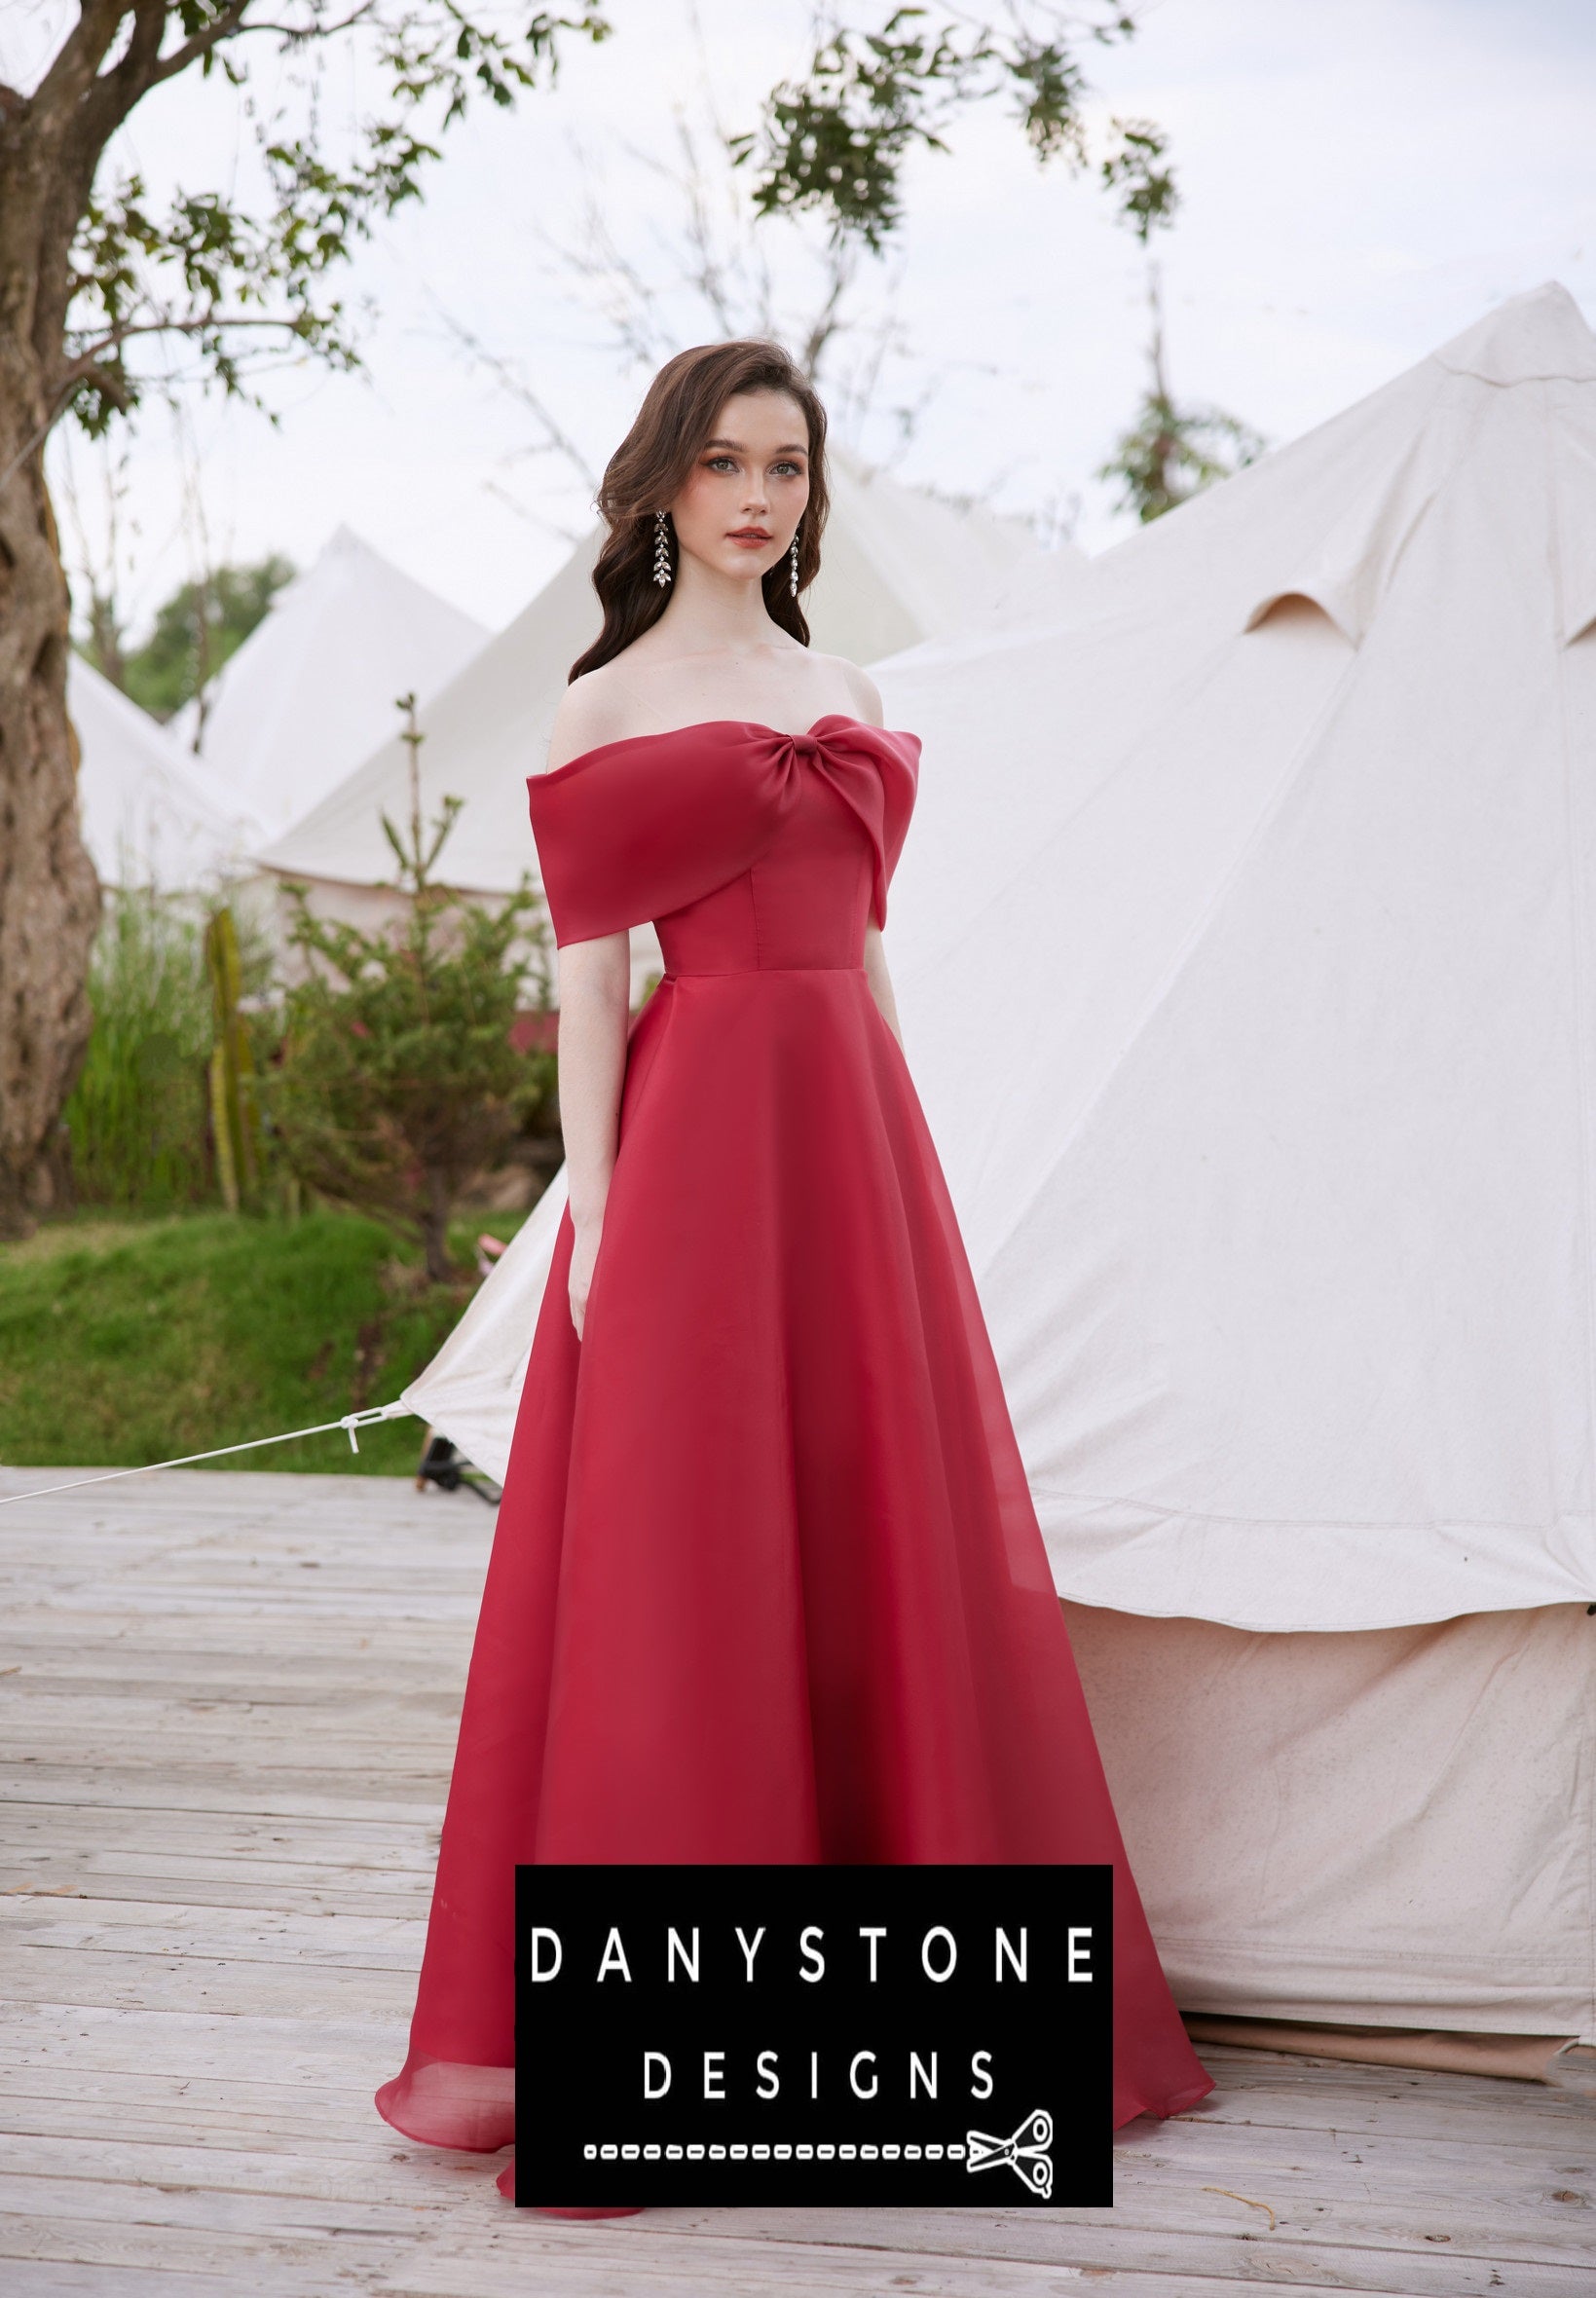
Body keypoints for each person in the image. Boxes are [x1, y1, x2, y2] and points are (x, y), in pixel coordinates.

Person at [375, 339, 1214, 2208]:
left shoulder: (848, 687)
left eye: (789, 466)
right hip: (693, 1142)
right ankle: (683, 2041)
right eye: (727, 464)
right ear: (665, 486)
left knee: (876, 1535)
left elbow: (871, 956)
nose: (761, 496)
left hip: (851, 1133)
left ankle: (892, 2036)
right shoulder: (596, 707)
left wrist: (906, 1157)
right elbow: (592, 993)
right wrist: (593, 1221)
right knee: (694, 1558)